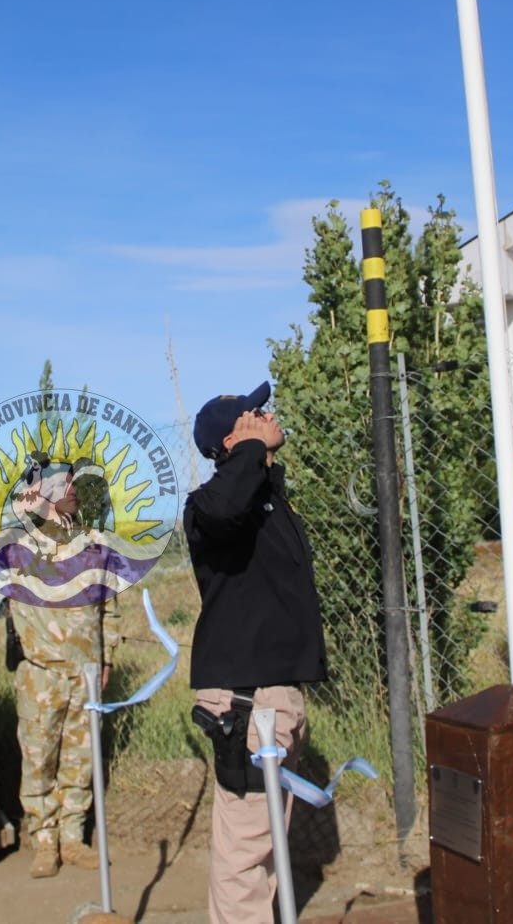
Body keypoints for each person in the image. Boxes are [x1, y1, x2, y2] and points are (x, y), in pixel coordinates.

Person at [185, 381, 327, 924]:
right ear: (232, 438)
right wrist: (248, 453)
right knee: (245, 848)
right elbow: (224, 510)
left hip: (272, 691)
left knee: (265, 841)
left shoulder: (263, 500)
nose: (267, 414)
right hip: (247, 701)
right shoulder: (211, 506)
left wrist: (260, 463)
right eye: (254, 414)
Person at [4, 455, 122, 878]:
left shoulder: (94, 543)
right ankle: (43, 840)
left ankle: (72, 838)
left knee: (81, 759)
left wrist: (106, 655)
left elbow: (110, 607)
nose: (73, 489)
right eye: (63, 484)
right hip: (41, 672)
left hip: (86, 670)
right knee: (39, 760)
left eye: (73, 483)